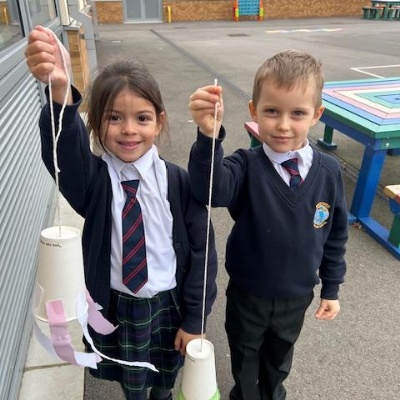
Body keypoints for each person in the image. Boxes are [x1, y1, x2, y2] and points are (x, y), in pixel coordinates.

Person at [25, 26, 218, 400]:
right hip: (118, 307)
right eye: (114, 118)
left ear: (159, 122)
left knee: (164, 379)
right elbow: (65, 154)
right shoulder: (93, 182)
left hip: (169, 305)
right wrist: (61, 93)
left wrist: (195, 318)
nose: (129, 130)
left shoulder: (179, 183)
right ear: (96, 122)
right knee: (132, 384)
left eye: (142, 118)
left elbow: (203, 255)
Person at [188, 49, 348, 400]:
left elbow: (335, 234)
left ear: (317, 114)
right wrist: (208, 136)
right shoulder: (245, 165)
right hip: (249, 294)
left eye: (298, 113)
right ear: (254, 111)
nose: (283, 125)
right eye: (272, 111)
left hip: (297, 294)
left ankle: (273, 394)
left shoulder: (329, 171)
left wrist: (332, 288)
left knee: (279, 358)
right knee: (245, 356)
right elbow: (209, 189)